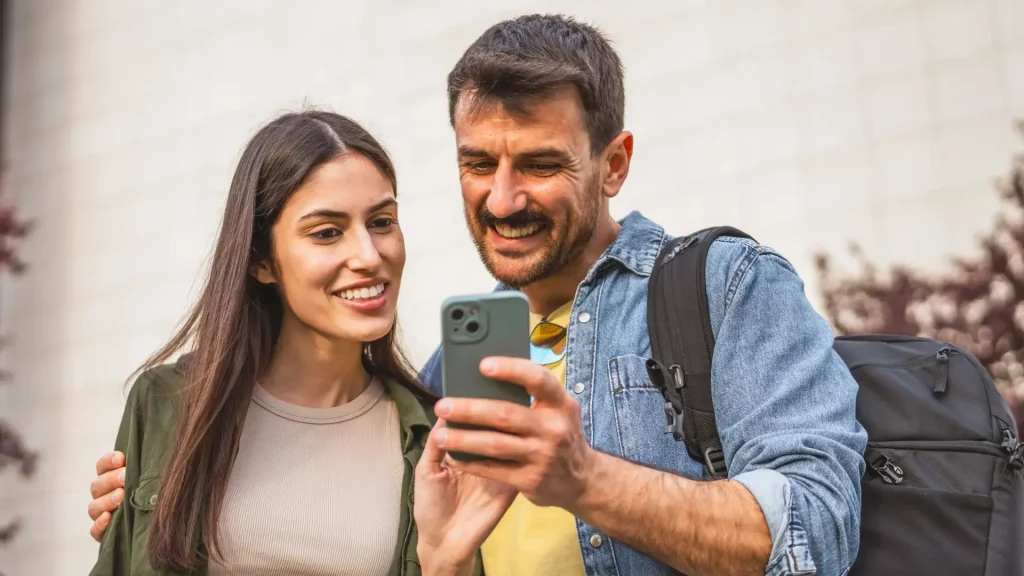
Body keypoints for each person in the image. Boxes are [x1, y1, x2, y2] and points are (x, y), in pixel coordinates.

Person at [90, 13, 868, 576]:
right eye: (476, 163)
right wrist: (162, 496)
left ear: (614, 164)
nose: (502, 200)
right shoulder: (436, 383)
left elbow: (819, 527)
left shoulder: (725, 289)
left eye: (538, 164)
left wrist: (587, 481)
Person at [87, 110, 510, 575]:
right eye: (327, 232)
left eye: (382, 222)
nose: (369, 256)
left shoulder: (431, 439)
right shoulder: (167, 404)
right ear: (261, 262)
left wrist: (447, 563)